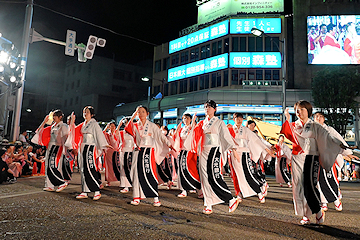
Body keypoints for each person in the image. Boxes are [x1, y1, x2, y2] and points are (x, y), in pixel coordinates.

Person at [281, 100, 347, 225]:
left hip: (311, 157)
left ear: (308, 111)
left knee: (310, 185)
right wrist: (287, 119)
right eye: (297, 110)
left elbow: (328, 137)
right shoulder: (294, 125)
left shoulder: (315, 125)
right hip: (297, 158)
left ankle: (317, 211)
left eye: (302, 109)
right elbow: (287, 134)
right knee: (298, 187)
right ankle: (305, 214)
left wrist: (343, 147)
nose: (299, 112)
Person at [191, 100, 241, 214]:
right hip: (203, 150)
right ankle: (208, 204)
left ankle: (231, 199)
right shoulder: (202, 123)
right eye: (205, 107)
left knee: (214, 176)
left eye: (209, 107)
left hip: (214, 150)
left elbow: (226, 137)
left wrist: (234, 150)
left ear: (215, 109)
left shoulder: (219, 122)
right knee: (204, 177)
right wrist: (194, 123)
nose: (207, 109)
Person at [125, 105, 174, 207]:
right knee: (136, 174)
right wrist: (134, 115)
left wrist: (169, 144)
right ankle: (136, 197)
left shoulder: (152, 125)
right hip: (137, 151)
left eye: (143, 112)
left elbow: (160, 136)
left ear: (147, 114)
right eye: (139, 112)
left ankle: (155, 198)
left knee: (150, 173)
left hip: (148, 152)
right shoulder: (134, 125)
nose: (140, 114)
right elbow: (127, 128)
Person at [313, 111, 358, 211]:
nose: (318, 118)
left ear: (324, 119)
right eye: (316, 117)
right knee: (319, 181)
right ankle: (323, 202)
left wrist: (347, 153)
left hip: (329, 158)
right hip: (317, 159)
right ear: (313, 119)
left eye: (321, 116)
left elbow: (339, 141)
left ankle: (336, 199)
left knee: (331, 179)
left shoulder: (329, 130)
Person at [65, 106, 111, 201]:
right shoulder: (83, 124)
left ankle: (97, 191)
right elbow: (74, 132)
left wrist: (104, 144)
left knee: (90, 168)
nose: (85, 114)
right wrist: (72, 121)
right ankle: (84, 191)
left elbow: (99, 135)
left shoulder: (94, 124)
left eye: (87, 112)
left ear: (92, 114)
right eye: (84, 112)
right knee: (83, 169)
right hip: (83, 147)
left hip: (90, 147)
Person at [228, 113, 270, 203]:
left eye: (241, 119)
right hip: (234, 153)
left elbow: (256, 140)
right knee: (235, 174)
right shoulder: (230, 129)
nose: (239, 120)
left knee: (248, 173)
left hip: (244, 153)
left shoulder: (245, 130)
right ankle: (238, 193)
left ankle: (259, 192)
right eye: (237, 118)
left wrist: (267, 149)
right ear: (233, 119)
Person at [32, 110, 69, 192]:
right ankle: (49, 185)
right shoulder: (53, 126)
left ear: (60, 117)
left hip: (57, 147)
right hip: (50, 147)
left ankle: (61, 182)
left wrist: (67, 149)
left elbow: (66, 137)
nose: (54, 118)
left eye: (55, 116)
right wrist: (44, 122)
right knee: (48, 166)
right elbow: (40, 131)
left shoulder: (63, 125)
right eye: (53, 116)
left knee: (52, 165)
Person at [174, 113, 201, 198]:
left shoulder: (192, 127)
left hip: (190, 152)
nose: (185, 120)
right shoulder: (182, 129)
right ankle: (184, 190)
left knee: (192, 170)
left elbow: (195, 134)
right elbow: (177, 138)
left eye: (187, 118)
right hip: (182, 151)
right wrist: (177, 131)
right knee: (182, 170)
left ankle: (198, 189)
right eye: (184, 118)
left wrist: (193, 122)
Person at [117, 117, 134, 193]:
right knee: (124, 168)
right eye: (125, 123)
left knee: (132, 169)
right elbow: (116, 133)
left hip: (132, 151)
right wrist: (119, 125)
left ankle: (133, 184)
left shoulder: (134, 131)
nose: (126, 124)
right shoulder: (122, 132)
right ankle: (126, 185)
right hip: (124, 151)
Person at [103, 121, 121, 187]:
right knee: (109, 167)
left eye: (113, 126)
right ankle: (108, 181)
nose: (112, 127)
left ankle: (119, 179)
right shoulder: (107, 134)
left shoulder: (117, 133)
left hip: (116, 151)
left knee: (117, 165)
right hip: (109, 152)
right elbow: (102, 134)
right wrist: (106, 127)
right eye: (111, 126)